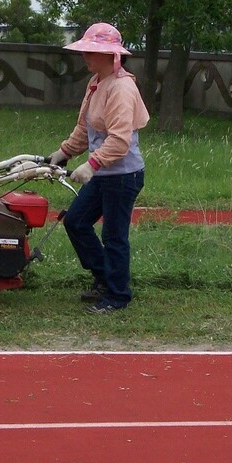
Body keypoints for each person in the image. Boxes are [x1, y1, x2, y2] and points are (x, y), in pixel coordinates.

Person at [49, 22, 150, 314]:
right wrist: (64, 152)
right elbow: (85, 127)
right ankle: (104, 277)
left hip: (122, 176)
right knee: (76, 221)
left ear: (112, 55)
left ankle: (118, 296)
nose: (86, 56)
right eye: (86, 50)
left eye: (93, 51)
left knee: (114, 236)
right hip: (103, 172)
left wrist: (91, 164)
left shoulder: (121, 88)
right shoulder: (96, 82)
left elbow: (119, 141)